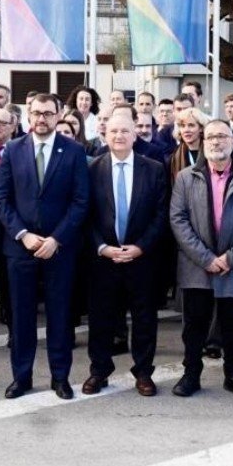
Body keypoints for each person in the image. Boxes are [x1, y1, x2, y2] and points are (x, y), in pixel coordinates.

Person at [0, 92, 91, 399]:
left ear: (58, 114)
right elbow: (1, 199)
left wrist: (56, 239)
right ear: (27, 116)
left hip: (59, 249)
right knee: (21, 318)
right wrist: (23, 234)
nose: (41, 119)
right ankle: (21, 377)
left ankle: (60, 377)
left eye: (48, 113)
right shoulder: (13, 149)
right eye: (36, 113)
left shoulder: (74, 151)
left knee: (60, 316)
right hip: (20, 248)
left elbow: (80, 201)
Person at [170, 119, 233, 398]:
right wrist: (206, 258)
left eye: (222, 136)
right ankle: (191, 375)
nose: (216, 141)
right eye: (211, 136)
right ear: (204, 142)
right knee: (194, 327)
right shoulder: (186, 177)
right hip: (196, 266)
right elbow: (178, 220)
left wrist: (231, 258)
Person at [82, 111, 171, 396]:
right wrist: (102, 247)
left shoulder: (155, 169)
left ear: (136, 135)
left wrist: (140, 247)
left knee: (144, 319)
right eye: (113, 131)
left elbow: (162, 214)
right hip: (103, 260)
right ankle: (99, 371)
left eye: (125, 131)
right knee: (101, 319)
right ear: (105, 135)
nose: (119, 136)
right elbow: (85, 216)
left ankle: (143, 372)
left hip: (142, 259)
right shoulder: (91, 169)